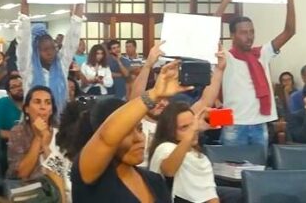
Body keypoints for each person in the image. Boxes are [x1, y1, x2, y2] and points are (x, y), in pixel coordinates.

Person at [72, 61, 191, 203]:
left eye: (140, 129)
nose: (139, 138)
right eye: (127, 132)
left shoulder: (155, 181)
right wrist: (154, 94)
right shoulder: (90, 177)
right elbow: (106, 136)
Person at [215, 0, 296, 146]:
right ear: (232, 35)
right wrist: (225, 1)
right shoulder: (226, 58)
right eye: (244, 32)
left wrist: (290, 0)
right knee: (232, 171)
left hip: (260, 124)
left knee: (259, 169)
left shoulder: (262, 54)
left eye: (252, 32)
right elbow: (208, 33)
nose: (249, 36)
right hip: (234, 124)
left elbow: (289, 31)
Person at [128, 42, 226, 167]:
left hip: (171, 176)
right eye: (157, 99)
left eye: (165, 99)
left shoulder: (176, 120)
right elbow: (135, 98)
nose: (161, 103)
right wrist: (148, 65)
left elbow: (205, 102)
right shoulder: (137, 120)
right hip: (140, 173)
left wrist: (219, 69)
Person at [16, 0, 86, 115]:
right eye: (45, 50)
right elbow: (24, 35)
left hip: (59, 123)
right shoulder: (27, 67)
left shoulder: (62, 64)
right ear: (36, 51)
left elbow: (73, 34)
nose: (50, 53)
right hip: (32, 127)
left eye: (53, 48)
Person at [6, 86, 69, 201]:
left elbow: (61, 170)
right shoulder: (18, 132)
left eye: (48, 103)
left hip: (60, 188)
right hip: (30, 193)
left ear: (52, 110)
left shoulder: (60, 133)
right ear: (27, 109)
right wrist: (38, 138)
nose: (43, 107)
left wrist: (46, 147)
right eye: (37, 102)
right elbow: (22, 174)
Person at [148, 103, 219, 203]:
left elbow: (211, 197)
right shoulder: (165, 148)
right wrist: (192, 130)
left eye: (193, 124)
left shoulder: (200, 158)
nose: (193, 131)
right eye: (184, 127)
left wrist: (216, 116)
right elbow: (169, 171)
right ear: (170, 131)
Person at [0, 74, 23, 140]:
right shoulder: (0, 105)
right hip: (7, 146)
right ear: (8, 92)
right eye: (14, 87)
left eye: (21, 85)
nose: (19, 88)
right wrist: (14, 135)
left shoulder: (32, 102)